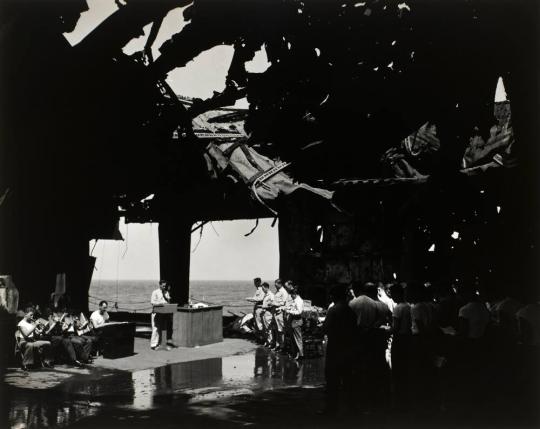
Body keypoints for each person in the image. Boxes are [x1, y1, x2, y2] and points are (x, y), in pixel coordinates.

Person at [348, 282, 391, 412]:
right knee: (375, 365)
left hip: (358, 337)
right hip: (374, 338)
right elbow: (385, 320)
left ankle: (359, 392)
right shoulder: (378, 305)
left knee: (358, 365)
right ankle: (376, 391)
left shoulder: (353, 303)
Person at [320, 285, 357, 415]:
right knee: (348, 380)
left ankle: (331, 408)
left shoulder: (333, 310)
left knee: (332, 380)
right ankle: (351, 408)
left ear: (334, 296)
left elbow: (325, 328)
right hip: (348, 347)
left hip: (335, 347)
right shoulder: (350, 310)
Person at [389, 283, 411, 411]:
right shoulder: (409, 306)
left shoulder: (398, 308)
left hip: (400, 340)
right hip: (408, 339)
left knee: (398, 369)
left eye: (392, 294)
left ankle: (399, 400)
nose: (392, 297)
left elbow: (395, 328)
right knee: (406, 368)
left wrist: (387, 330)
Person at [150, 279, 172, 350]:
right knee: (156, 329)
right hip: (156, 313)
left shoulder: (166, 292)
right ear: (160, 285)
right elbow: (153, 302)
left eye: (165, 286)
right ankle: (153, 345)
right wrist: (160, 303)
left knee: (163, 328)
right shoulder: (155, 292)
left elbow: (168, 302)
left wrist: (167, 296)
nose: (164, 287)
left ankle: (162, 343)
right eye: (163, 286)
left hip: (164, 313)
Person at [286, 286, 304, 360]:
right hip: (293, 321)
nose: (291, 296)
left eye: (291, 295)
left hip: (296, 321)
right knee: (294, 339)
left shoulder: (298, 301)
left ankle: (301, 355)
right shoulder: (295, 300)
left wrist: (289, 311)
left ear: (295, 294)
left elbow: (299, 312)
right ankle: (296, 354)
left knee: (298, 339)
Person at [271, 279, 289, 351]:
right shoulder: (277, 291)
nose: (275, 286)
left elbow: (284, 303)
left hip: (280, 313)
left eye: (276, 285)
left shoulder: (283, 292)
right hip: (275, 313)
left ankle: (282, 346)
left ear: (280, 284)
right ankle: (278, 345)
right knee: (276, 330)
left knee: (281, 330)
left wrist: (274, 304)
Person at [246, 277, 265, 342]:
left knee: (259, 324)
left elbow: (260, 299)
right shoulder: (258, 290)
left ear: (258, 282)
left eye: (255, 283)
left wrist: (250, 299)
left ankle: (262, 339)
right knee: (256, 324)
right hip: (257, 308)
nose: (254, 284)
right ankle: (259, 338)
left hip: (259, 308)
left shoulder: (261, 290)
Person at [260, 282, 275, 347]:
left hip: (268, 313)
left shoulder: (271, 295)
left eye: (263, 288)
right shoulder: (265, 294)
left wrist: (264, 307)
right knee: (265, 328)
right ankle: (267, 341)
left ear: (266, 287)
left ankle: (271, 342)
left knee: (269, 328)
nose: (262, 290)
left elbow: (272, 305)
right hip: (264, 313)